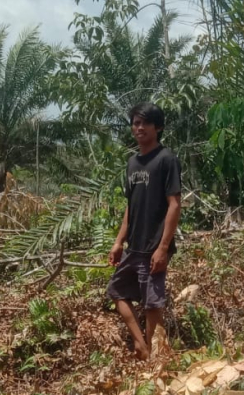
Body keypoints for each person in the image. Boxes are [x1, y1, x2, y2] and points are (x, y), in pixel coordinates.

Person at [106, 102, 181, 360]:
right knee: (116, 291)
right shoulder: (132, 163)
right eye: (135, 123)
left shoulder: (166, 159)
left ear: (157, 127)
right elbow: (130, 206)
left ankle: (156, 360)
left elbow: (175, 205)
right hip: (133, 246)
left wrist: (162, 248)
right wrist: (118, 242)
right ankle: (142, 345)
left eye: (145, 123)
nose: (139, 128)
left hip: (154, 246)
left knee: (152, 304)